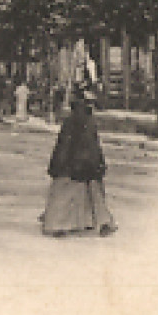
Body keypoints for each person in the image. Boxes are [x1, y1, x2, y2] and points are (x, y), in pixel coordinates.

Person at [41, 83, 117, 236]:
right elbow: (91, 144)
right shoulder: (87, 120)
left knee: (65, 192)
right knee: (93, 192)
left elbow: (64, 144)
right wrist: (96, 162)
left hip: (71, 162)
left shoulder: (71, 120)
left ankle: (57, 223)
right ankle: (101, 223)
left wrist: (58, 162)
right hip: (86, 162)